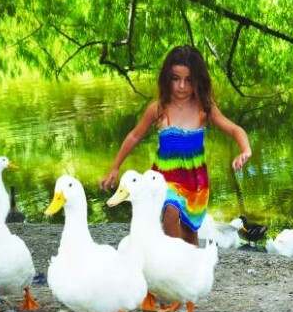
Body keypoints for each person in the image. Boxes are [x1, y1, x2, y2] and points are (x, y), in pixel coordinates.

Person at [100, 45, 251, 246]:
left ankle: (191, 268)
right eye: (175, 79)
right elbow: (135, 136)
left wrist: (245, 150)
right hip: (164, 178)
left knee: (190, 232)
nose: (181, 86)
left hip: (195, 181)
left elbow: (235, 130)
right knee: (171, 211)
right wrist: (115, 167)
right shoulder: (159, 108)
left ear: (198, 80)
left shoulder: (204, 108)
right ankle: (174, 262)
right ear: (167, 79)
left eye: (188, 80)